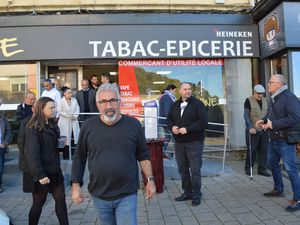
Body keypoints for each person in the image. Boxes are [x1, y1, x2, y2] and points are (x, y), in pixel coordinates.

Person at [71, 83, 156, 225]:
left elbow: (143, 155)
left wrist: (150, 180)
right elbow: (79, 157)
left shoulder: (133, 125)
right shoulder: (88, 126)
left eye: (112, 100)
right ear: (97, 104)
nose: (108, 106)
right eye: (103, 101)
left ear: (119, 102)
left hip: (127, 194)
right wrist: (75, 185)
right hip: (99, 194)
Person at [256, 74, 300, 212]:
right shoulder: (274, 98)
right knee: (271, 164)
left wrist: (272, 124)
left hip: (285, 140)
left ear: (280, 84)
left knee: (290, 169)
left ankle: (298, 198)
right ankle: (278, 189)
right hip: (273, 139)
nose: (268, 84)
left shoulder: (289, 97)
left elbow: (295, 118)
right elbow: (270, 115)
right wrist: (263, 121)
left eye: (271, 82)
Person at [22, 97, 69, 225]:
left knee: (61, 200)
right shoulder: (33, 127)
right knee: (38, 203)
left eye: (54, 107)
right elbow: (31, 154)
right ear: (41, 109)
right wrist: (40, 175)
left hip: (54, 170)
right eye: (51, 107)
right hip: (42, 173)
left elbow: (52, 147)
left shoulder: (52, 123)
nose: (54, 110)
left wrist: (60, 145)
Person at [167, 82, 208, 207]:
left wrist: (188, 129)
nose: (188, 91)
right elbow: (169, 119)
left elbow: (203, 122)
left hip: (194, 142)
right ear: (180, 91)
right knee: (183, 169)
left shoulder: (198, 104)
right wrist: (172, 126)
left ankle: (196, 194)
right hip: (179, 143)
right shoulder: (175, 104)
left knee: (195, 170)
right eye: (185, 89)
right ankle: (187, 193)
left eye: (189, 89)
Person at [244, 84, 271, 177]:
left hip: (264, 130)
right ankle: (248, 168)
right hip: (253, 130)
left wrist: (266, 123)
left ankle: (262, 169)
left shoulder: (266, 100)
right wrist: (250, 127)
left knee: (264, 150)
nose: (260, 95)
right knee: (252, 150)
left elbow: (268, 113)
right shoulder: (248, 100)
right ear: (254, 92)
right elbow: (246, 115)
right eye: (258, 93)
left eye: (262, 93)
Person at [57, 86, 80, 159]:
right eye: (69, 93)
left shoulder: (74, 100)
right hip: (64, 123)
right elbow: (59, 111)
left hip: (74, 121)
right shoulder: (60, 101)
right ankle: (66, 156)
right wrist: (68, 116)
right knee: (65, 139)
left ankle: (73, 155)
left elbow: (78, 109)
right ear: (64, 94)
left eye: (71, 92)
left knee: (73, 137)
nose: (71, 94)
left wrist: (75, 116)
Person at [158, 84, 177, 155]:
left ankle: (160, 153)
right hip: (168, 122)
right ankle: (179, 154)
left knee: (167, 138)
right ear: (171, 90)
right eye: (175, 91)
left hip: (165, 121)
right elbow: (168, 111)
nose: (175, 93)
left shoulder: (166, 97)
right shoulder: (167, 97)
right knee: (175, 137)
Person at [0, 98, 11, 193]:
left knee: (0, 168)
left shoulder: (3, 118)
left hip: (1, 146)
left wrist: (5, 142)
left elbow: (8, 131)